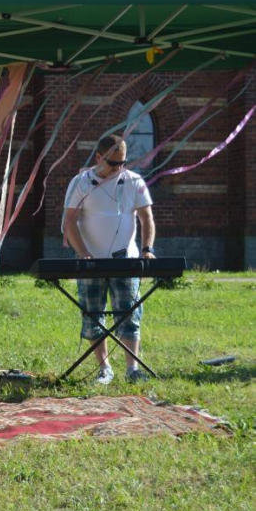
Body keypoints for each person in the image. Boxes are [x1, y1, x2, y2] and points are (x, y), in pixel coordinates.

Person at [62, 134, 156, 385]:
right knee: (93, 316)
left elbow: (146, 218)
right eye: (113, 163)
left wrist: (147, 248)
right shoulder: (81, 182)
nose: (118, 168)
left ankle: (132, 369)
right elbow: (68, 222)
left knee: (129, 315)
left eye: (122, 162)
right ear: (98, 157)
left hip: (126, 261)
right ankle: (104, 368)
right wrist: (83, 252)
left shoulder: (134, 181)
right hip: (91, 263)